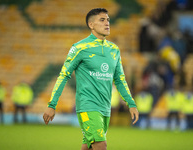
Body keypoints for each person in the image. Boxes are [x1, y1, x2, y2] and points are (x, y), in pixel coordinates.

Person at [43, 8, 139, 150]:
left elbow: (119, 79)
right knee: (101, 145)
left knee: (88, 147)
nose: (107, 23)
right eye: (102, 20)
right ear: (91, 25)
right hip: (88, 105)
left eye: (108, 20)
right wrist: (52, 105)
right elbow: (64, 75)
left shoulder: (114, 49)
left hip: (105, 108)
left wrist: (130, 102)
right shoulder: (79, 47)